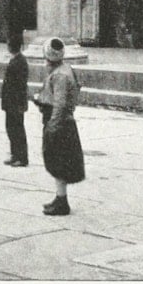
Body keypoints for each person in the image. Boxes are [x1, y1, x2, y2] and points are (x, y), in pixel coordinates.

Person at [32, 37, 85, 216]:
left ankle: (62, 201)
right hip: (61, 121)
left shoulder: (60, 75)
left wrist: (52, 127)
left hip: (59, 123)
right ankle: (60, 197)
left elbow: (60, 104)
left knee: (58, 162)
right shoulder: (64, 69)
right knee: (57, 161)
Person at [1, 35, 29, 167]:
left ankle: (21, 157)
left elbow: (19, 85)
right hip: (11, 101)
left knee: (17, 129)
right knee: (11, 129)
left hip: (15, 102)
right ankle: (14, 154)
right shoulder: (16, 60)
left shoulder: (20, 61)